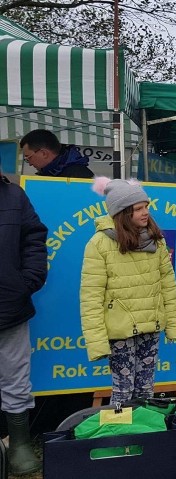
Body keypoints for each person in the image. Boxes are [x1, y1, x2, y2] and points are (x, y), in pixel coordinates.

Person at [80, 177, 176, 404]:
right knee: (122, 392)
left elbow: (168, 285)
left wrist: (174, 326)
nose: (145, 212)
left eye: (146, 206)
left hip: (151, 325)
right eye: (138, 208)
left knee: (146, 390)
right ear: (123, 212)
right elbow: (91, 297)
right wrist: (96, 341)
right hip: (120, 332)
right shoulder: (99, 244)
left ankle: (144, 433)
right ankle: (120, 435)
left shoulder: (157, 241)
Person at [0, 165, 47, 474]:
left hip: (8, 305)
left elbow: (34, 239)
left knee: (16, 376)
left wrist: (26, 282)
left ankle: (19, 443)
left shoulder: (13, 195)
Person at [19, 129, 94, 178]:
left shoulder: (79, 174)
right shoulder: (52, 171)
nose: (30, 163)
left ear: (44, 153)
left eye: (29, 158)